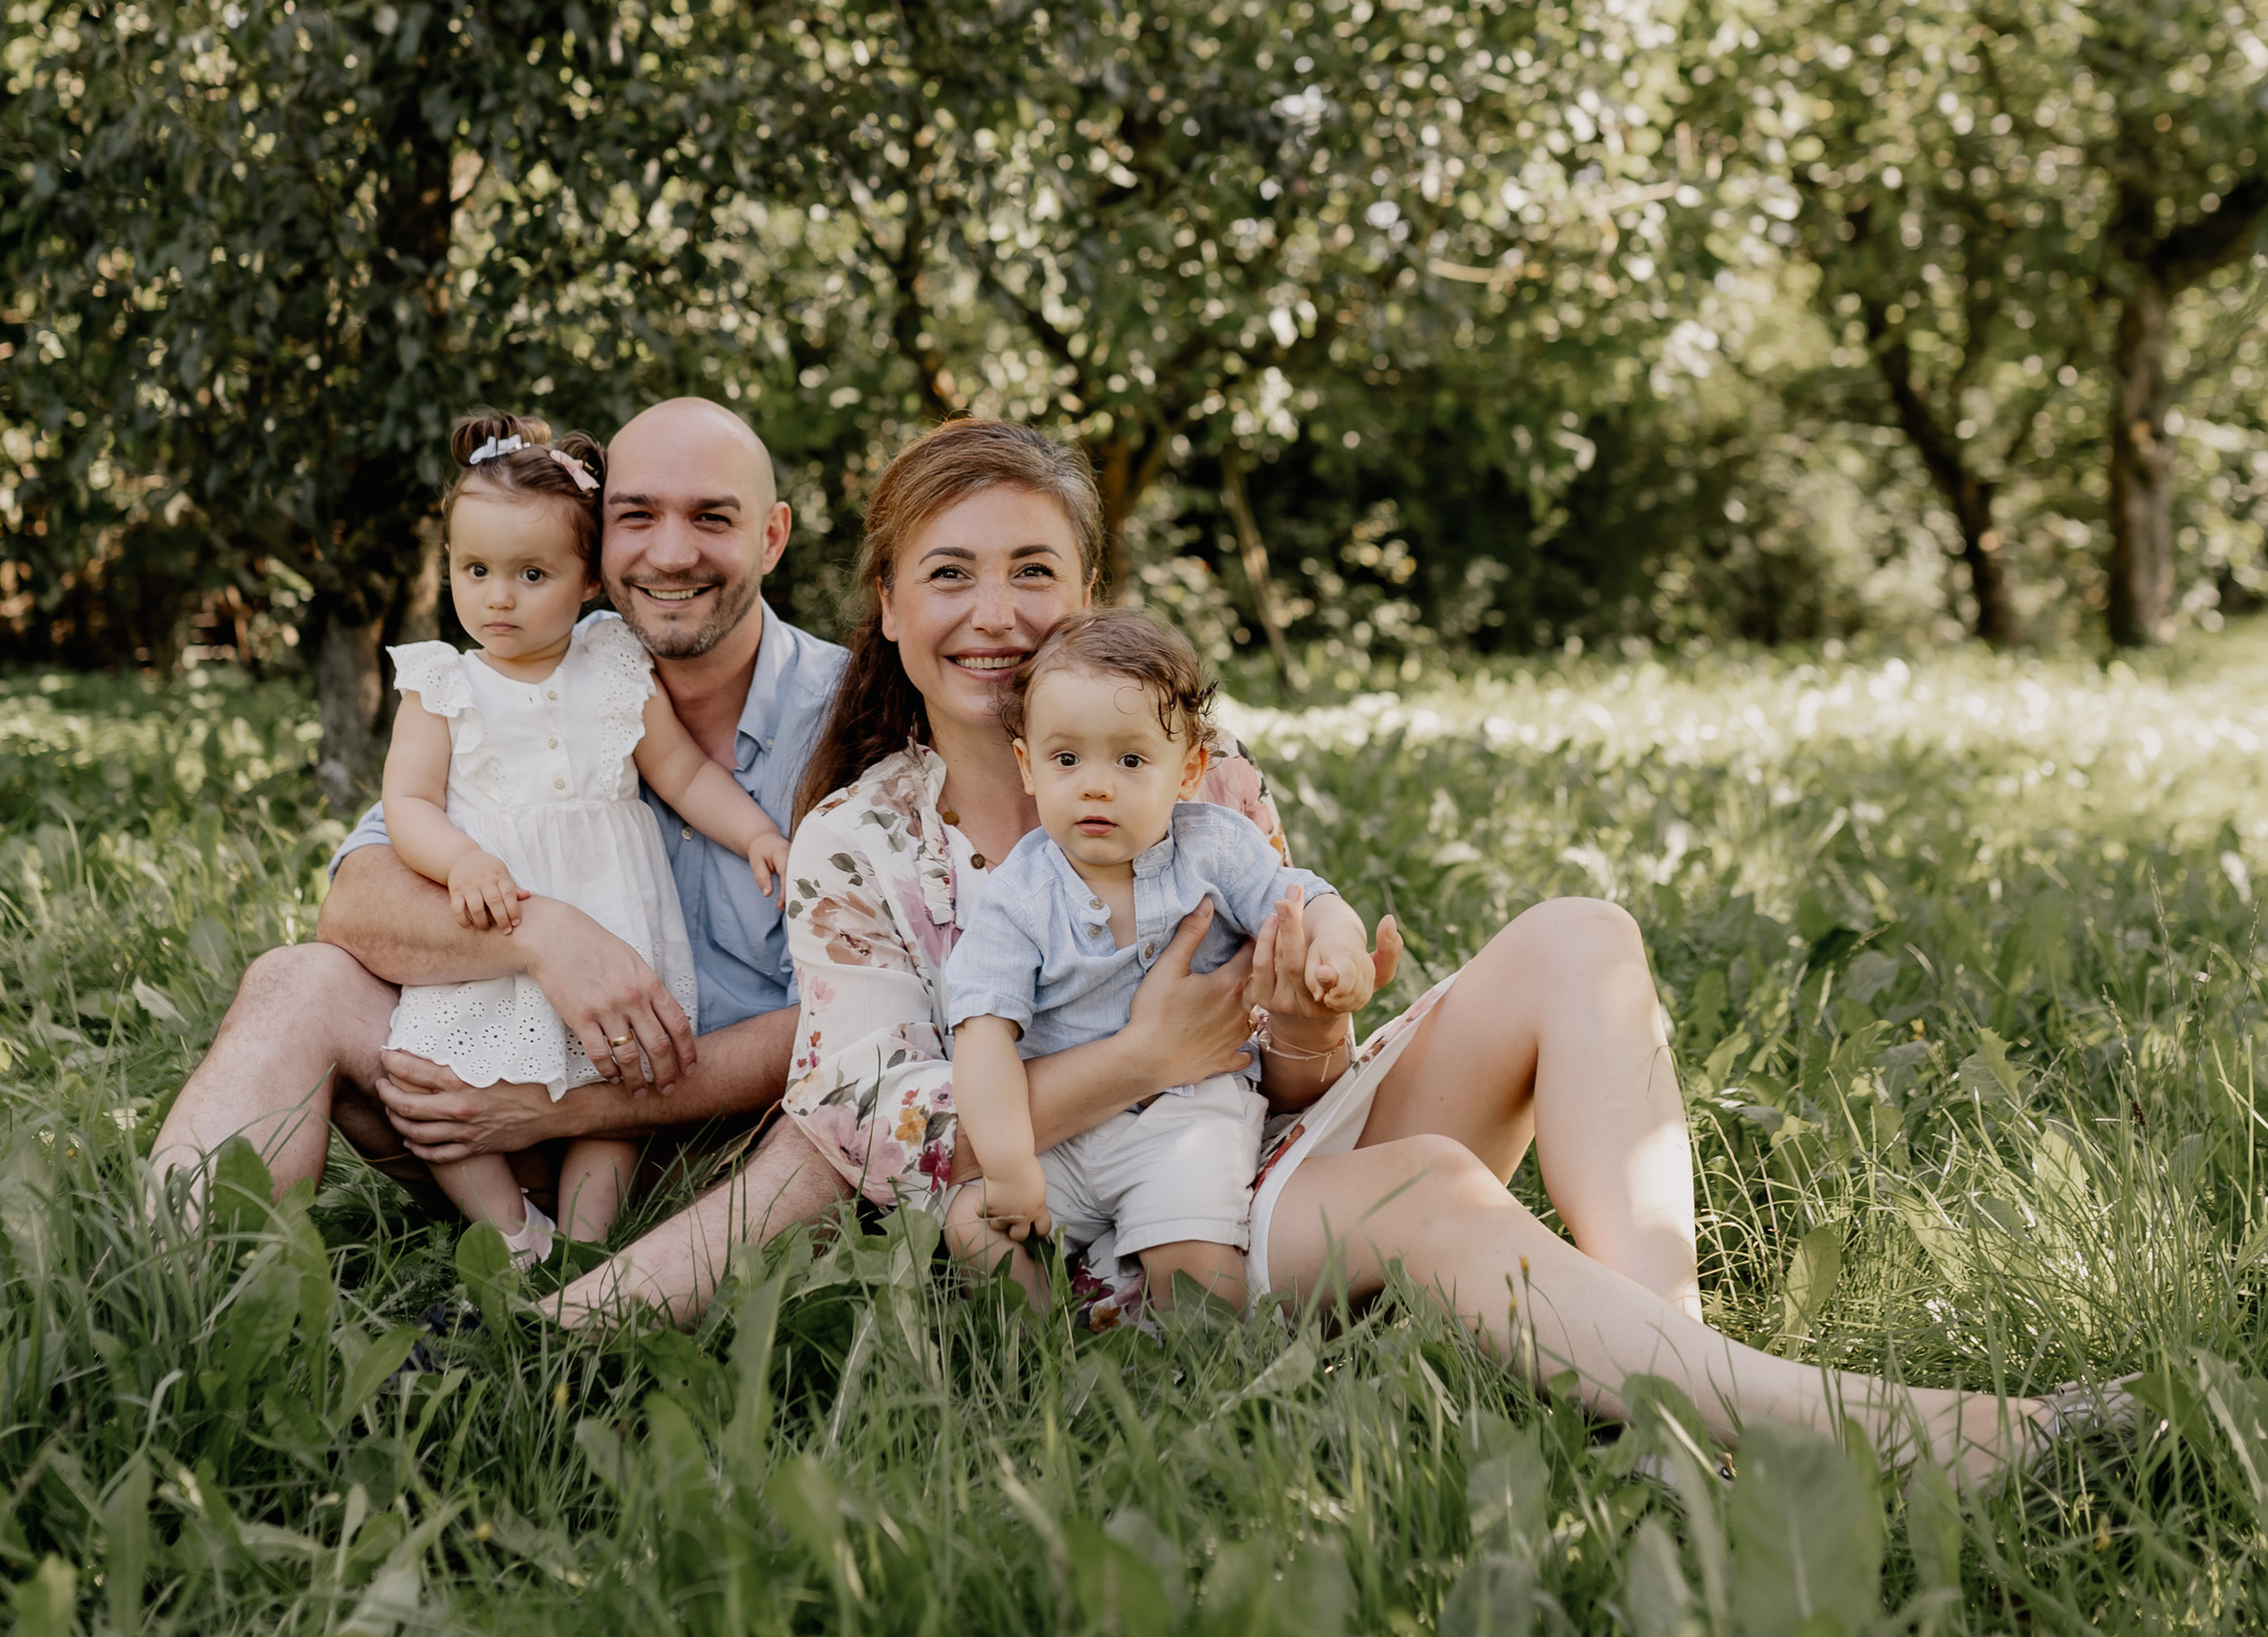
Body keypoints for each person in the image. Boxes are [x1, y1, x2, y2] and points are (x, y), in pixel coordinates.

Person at [549, 417, 2110, 1483]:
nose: (996, 614)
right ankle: (1917, 1435)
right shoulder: (861, 846)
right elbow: (882, 1126)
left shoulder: (1198, 779)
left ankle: (1669, 1374)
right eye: (949, 574)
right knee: (1423, 1192)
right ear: (885, 608)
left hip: (1276, 1131)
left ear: (1091, 600)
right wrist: (1143, 1060)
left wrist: (1311, 1013)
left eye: (1036, 572)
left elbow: (1287, 1056)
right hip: (1119, 1231)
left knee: (1583, 934)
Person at [148, 398, 842, 1220]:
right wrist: (541, 934)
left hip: (726, 1154)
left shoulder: (855, 720)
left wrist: (573, 1106)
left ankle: (584, 1286)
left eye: (712, 517)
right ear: (598, 540)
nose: (671, 550)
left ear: (771, 536)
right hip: (490, 1103)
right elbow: (358, 905)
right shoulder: (489, 687)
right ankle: (181, 1289)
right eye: (636, 515)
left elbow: (858, 1019)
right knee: (294, 983)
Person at [378, 409, 795, 1261]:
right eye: (475, 569)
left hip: (617, 927)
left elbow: (680, 772)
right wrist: (462, 859)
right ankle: (508, 1239)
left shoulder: (612, 667)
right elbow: (407, 804)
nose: (498, 596)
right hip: (502, 923)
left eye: (531, 573)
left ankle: (585, 1247)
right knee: (436, 1083)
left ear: (589, 579)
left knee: (621, 1087)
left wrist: (755, 832)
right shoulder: (441, 685)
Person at [946, 609, 1367, 1312]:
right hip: (1068, 1129)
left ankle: (1195, 1376)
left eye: (1131, 760)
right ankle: (1036, 1365)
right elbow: (982, 1034)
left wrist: (1336, 945)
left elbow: (1309, 898)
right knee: (971, 1227)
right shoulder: (1017, 895)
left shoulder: (1216, 848)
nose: (1096, 785)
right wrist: (1010, 1161)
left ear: (1188, 770)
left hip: (1191, 1112)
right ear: (1028, 765)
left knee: (1195, 1250)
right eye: (1066, 759)